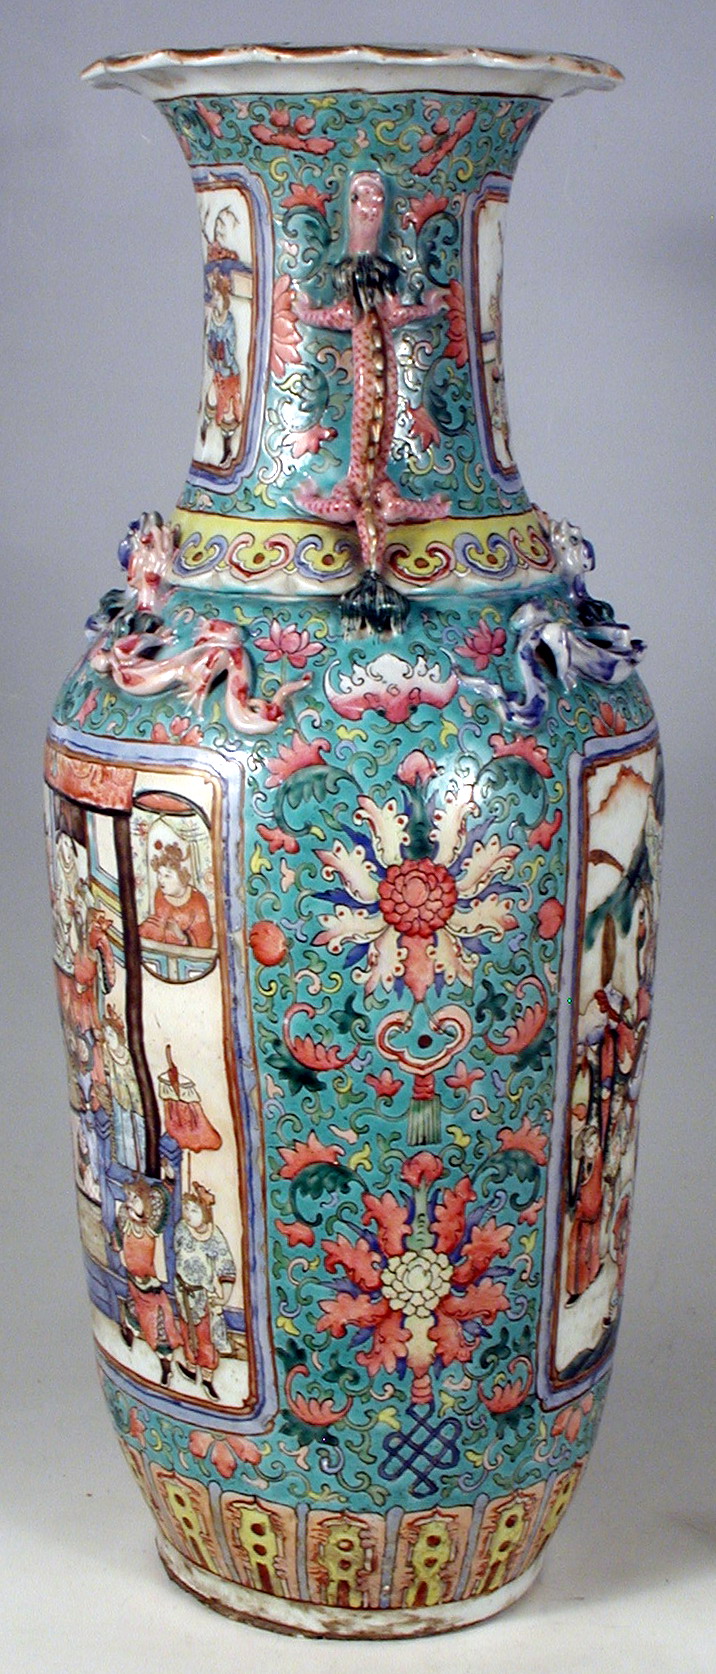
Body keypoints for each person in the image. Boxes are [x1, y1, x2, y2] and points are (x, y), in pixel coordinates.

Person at [115, 1177, 181, 1385]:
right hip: (133, 1281)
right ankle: (128, 1339)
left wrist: (168, 1180)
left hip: (150, 1286)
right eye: (129, 1197)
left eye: (135, 1198)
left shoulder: (150, 1227)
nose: (130, 1202)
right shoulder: (125, 1220)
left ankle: (166, 1366)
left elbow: (163, 1200)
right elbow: (118, 1241)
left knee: (161, 1325)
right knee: (133, 1312)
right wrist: (120, 1252)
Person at [174, 1183, 237, 1400]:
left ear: (206, 1213)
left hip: (202, 1296)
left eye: (194, 1210)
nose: (188, 1214)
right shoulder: (182, 1229)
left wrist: (224, 1297)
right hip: (183, 1293)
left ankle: (208, 1378)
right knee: (186, 1332)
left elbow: (226, 1267)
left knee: (205, 1338)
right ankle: (191, 1368)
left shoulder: (214, 1237)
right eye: (186, 1209)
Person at [138, 839, 213, 949]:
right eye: (159, 874)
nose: (161, 880)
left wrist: (182, 937)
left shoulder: (198, 902)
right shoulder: (160, 894)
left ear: (182, 876)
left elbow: (204, 942)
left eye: (167, 876)